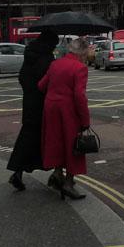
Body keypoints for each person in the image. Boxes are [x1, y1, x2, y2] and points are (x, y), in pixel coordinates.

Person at [6, 29, 59, 191]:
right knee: (52, 138)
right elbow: (48, 81)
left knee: (27, 137)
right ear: (50, 43)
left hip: (29, 102)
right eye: (54, 44)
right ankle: (57, 174)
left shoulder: (30, 54)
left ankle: (18, 172)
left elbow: (22, 77)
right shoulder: (46, 57)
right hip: (43, 103)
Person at [38, 38, 91, 200]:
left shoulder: (55, 64)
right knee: (73, 146)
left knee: (56, 142)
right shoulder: (80, 68)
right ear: (82, 53)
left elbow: (41, 85)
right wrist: (85, 121)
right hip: (68, 111)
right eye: (86, 54)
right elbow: (79, 96)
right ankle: (68, 183)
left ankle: (57, 173)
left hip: (51, 109)